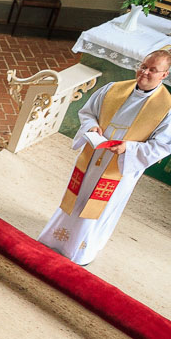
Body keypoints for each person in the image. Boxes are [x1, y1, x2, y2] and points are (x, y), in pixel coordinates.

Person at [37, 49, 171, 265]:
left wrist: (128, 147)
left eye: (153, 70)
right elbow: (88, 112)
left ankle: (80, 250)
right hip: (93, 157)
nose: (144, 72)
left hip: (120, 166)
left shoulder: (167, 108)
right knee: (78, 195)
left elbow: (163, 145)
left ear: (164, 75)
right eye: (143, 66)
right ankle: (55, 237)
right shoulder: (114, 89)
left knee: (100, 206)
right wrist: (91, 127)